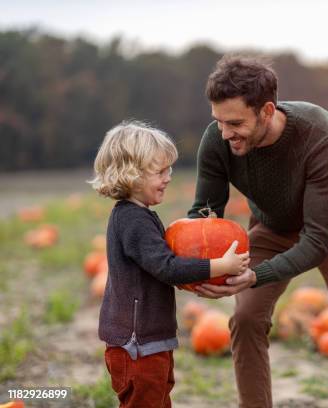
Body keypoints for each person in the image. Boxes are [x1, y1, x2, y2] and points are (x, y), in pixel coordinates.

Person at [188, 56, 328, 408]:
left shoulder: (319, 135)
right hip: (271, 228)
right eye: (219, 122)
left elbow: (317, 241)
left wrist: (257, 275)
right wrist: (197, 266)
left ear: (267, 111)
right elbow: (204, 214)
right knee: (245, 318)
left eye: (235, 123)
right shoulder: (217, 139)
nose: (225, 134)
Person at [90, 120, 249, 408]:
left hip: (150, 340)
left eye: (169, 169)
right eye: (160, 171)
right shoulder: (133, 220)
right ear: (132, 174)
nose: (168, 177)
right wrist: (218, 266)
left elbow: (159, 270)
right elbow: (167, 267)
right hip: (137, 346)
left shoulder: (140, 215)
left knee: (159, 400)